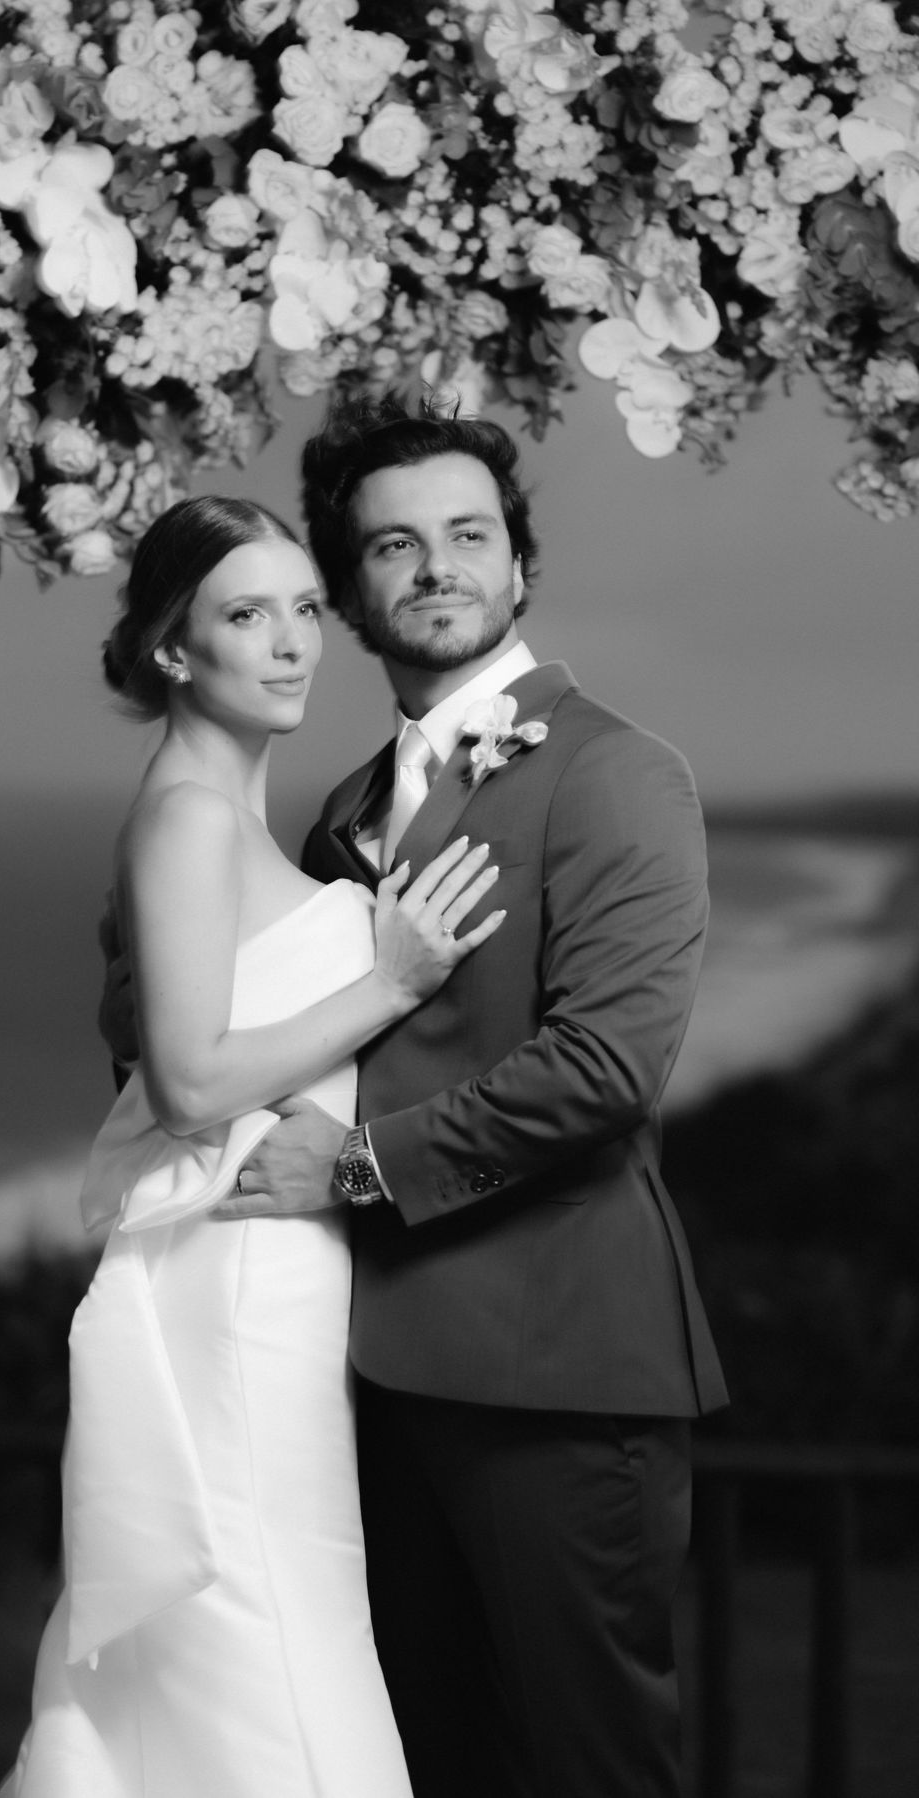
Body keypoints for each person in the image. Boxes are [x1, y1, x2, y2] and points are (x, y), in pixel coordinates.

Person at [208, 394, 730, 1798]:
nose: (436, 564)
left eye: (468, 533)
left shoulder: (619, 774)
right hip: (370, 1377)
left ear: (517, 564)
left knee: (587, 1767)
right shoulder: (345, 810)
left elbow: (604, 1069)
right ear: (350, 591)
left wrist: (353, 1169)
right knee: (428, 1767)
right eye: (394, 544)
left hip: (556, 1375)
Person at [0, 494, 504, 1798]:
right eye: (244, 613)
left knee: (272, 1613)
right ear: (174, 648)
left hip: (276, 1267)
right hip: (237, 1279)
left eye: (303, 609)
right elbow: (185, 1081)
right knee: (270, 1625)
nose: (288, 643)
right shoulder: (186, 816)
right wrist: (389, 981)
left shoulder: (230, 815)